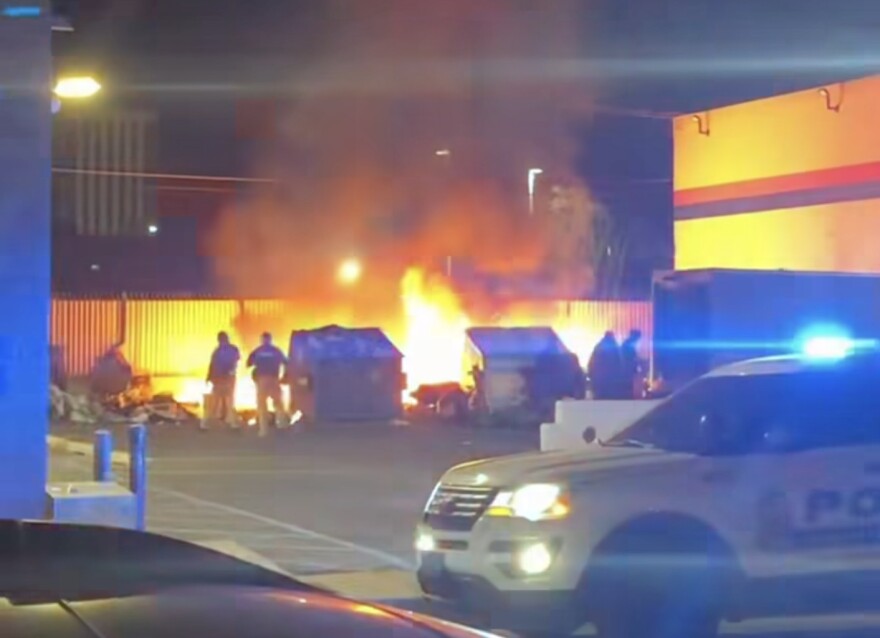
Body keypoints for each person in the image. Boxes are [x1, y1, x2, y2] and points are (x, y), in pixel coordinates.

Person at [247, 332, 289, 436]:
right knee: (278, 403)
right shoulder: (276, 351)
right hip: (274, 379)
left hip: (262, 380)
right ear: (270, 339)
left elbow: (248, 364)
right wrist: (285, 376)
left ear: (262, 340)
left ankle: (264, 430)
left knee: (262, 405)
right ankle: (283, 425)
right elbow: (286, 363)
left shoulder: (258, 351)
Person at [204, 331, 241, 431]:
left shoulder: (217, 351)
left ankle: (205, 424)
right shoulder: (234, 349)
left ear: (219, 339)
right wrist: (231, 372)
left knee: (215, 402)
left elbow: (212, 365)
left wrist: (209, 378)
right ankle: (233, 423)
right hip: (229, 379)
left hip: (219, 379)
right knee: (230, 401)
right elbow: (236, 361)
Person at [587, 331, 623, 400]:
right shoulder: (615, 348)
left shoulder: (598, 347)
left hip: (599, 379)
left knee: (599, 401)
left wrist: (590, 374)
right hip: (612, 381)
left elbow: (592, 362)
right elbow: (620, 364)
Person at [620, 329, 644, 399]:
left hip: (627, 369)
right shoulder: (628, 344)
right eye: (638, 338)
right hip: (627, 370)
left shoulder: (628, 343)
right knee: (627, 386)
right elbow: (630, 358)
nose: (639, 340)